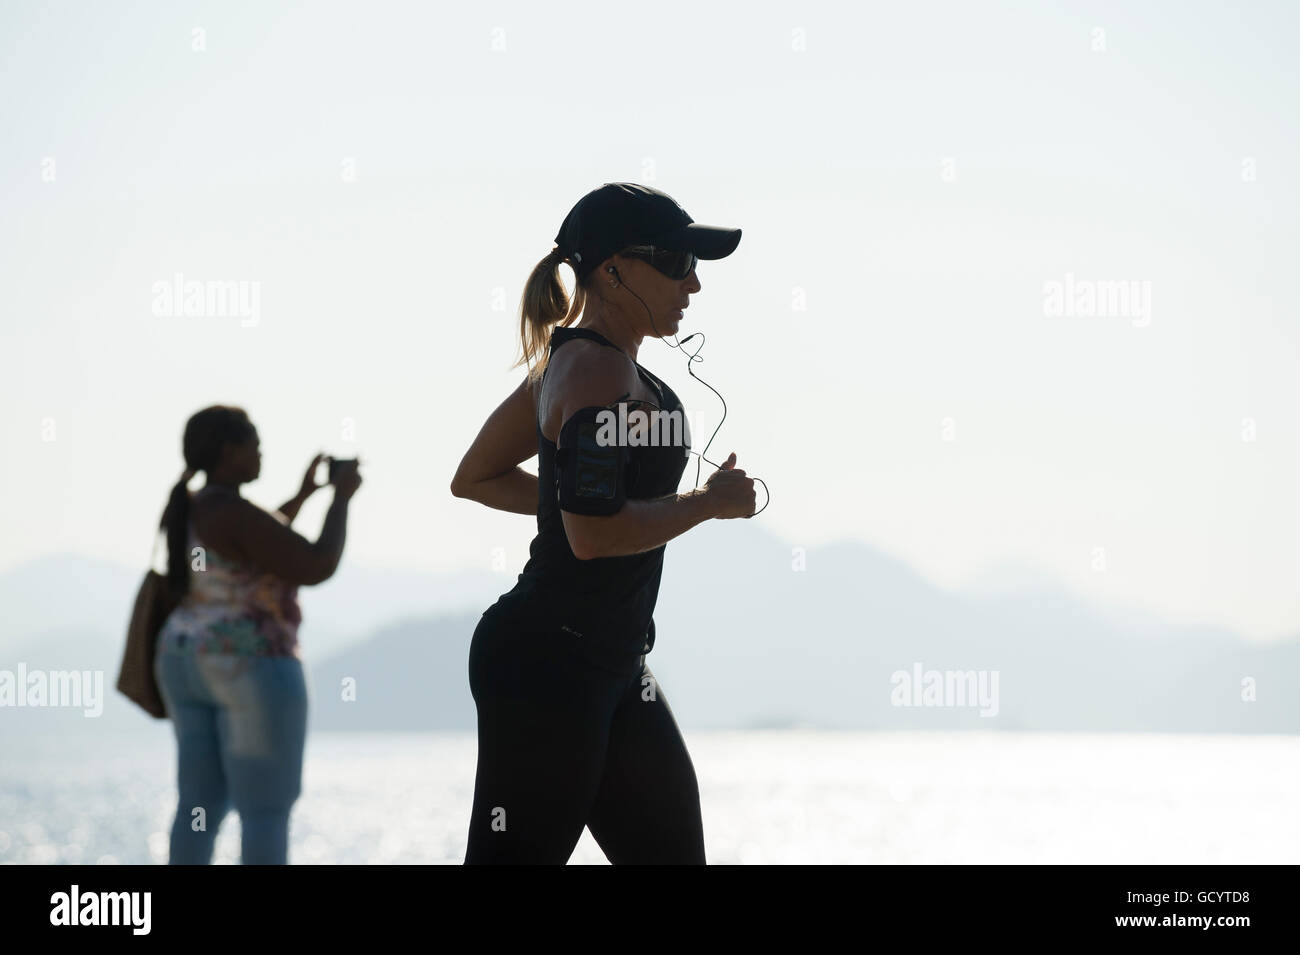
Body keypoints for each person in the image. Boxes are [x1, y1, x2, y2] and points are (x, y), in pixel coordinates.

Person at [452, 182, 756, 863]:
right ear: (614, 268)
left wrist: (566, 504)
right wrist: (708, 502)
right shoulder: (592, 373)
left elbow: (477, 478)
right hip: (549, 666)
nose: (695, 283)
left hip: (617, 666)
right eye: (678, 263)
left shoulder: (580, 364)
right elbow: (592, 536)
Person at [154, 405, 361, 864]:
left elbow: (252, 543)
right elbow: (315, 563)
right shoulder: (233, 511)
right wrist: (341, 498)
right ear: (230, 452)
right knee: (265, 810)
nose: (261, 452)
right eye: (255, 444)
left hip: (184, 659)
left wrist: (303, 496)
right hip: (249, 664)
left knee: (198, 806)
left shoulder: (192, 506)